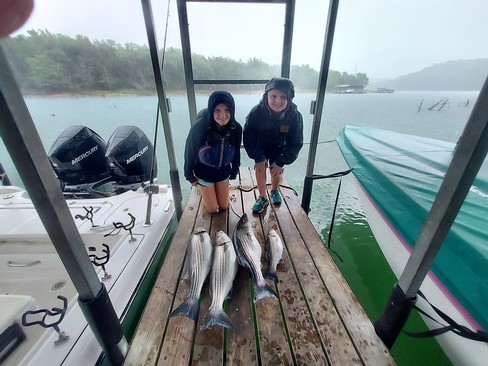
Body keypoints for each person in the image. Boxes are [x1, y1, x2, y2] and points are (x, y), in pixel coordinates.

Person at [243, 77, 303, 214]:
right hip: (260, 146)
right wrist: (258, 157)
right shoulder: (255, 113)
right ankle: (262, 197)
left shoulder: (295, 116)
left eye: (283, 97)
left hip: (280, 147)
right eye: (273, 96)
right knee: (260, 168)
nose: (278, 101)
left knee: (276, 170)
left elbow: (296, 142)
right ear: (266, 96)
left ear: (290, 98)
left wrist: (281, 161)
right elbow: (248, 137)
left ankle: (275, 190)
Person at [184, 90, 242, 213]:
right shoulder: (199, 128)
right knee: (212, 209)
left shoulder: (236, 128)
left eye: (227, 110)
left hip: (223, 172)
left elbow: (236, 152)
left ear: (232, 111)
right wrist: (189, 175)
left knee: (223, 206)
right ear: (211, 111)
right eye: (217, 110)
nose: (222, 115)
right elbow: (189, 152)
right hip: (204, 173)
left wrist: (235, 170)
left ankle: (219, 191)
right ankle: (205, 191)